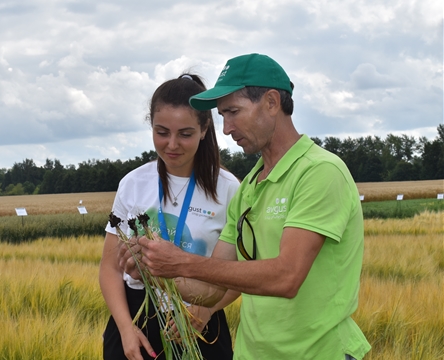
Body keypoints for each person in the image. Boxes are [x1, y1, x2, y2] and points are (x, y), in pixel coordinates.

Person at [137, 54, 372, 359]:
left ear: (272, 103)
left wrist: (181, 262)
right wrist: (155, 269)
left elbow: (286, 277)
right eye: (222, 115)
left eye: (233, 112)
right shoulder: (248, 187)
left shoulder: (320, 172)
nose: (226, 128)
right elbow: (213, 290)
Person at [99, 73, 240, 360]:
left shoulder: (228, 189)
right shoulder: (133, 183)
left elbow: (238, 274)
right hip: (136, 322)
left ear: (204, 129)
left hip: (199, 325)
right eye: (161, 132)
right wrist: (126, 329)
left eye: (185, 134)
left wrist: (205, 310)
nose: (172, 144)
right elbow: (111, 268)